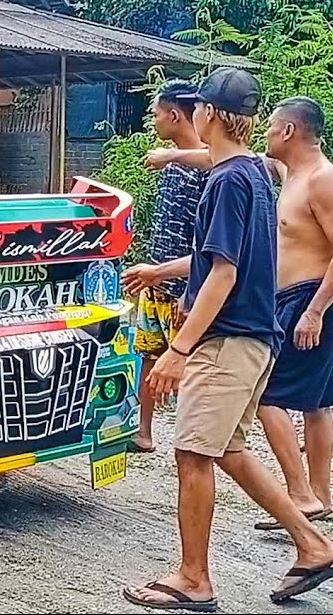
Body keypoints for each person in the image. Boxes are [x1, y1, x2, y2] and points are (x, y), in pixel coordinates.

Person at [122, 68, 333, 611]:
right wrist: (163, 273)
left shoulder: (228, 181)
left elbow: (223, 274)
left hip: (227, 338)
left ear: (206, 114)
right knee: (227, 449)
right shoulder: (253, 174)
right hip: (255, 334)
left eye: (196, 108)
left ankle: (194, 579)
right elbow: (221, 260)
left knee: (193, 454)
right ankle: (313, 541)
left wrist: (178, 351)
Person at [150, 96, 333, 530]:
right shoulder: (284, 173)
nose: (263, 133)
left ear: (288, 132)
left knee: (269, 397)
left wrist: (315, 310)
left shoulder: (323, 181)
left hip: (309, 299)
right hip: (286, 299)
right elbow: (221, 154)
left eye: (271, 127)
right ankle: (316, 500)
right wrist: (172, 155)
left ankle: (305, 495)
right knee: (316, 402)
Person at [121, 79, 208, 454]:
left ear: (174, 115)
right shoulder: (171, 162)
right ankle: (144, 430)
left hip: (185, 286)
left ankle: (197, 440)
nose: (153, 121)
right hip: (157, 278)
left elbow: (207, 244)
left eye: (156, 114)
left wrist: (190, 291)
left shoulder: (210, 167)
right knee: (149, 355)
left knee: (188, 362)